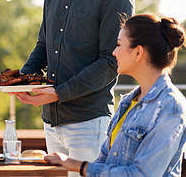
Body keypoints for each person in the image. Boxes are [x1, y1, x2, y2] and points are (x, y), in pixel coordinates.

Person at [14, 0, 135, 171]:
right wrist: (19, 80)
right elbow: (43, 46)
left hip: (89, 124)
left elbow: (109, 63)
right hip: (51, 123)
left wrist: (57, 93)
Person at [45, 14, 186, 176]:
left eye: (119, 45)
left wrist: (77, 165)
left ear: (138, 52)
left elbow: (142, 174)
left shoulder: (170, 107)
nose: (113, 52)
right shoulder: (128, 102)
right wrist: (71, 164)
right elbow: (105, 160)